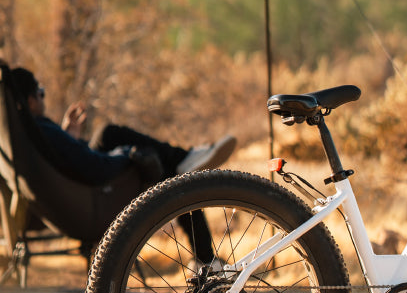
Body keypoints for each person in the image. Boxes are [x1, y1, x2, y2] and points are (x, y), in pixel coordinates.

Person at [8, 66, 236, 264]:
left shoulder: (26, 133)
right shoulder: (42, 129)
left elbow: (74, 160)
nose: (42, 97)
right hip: (98, 197)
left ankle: (183, 159)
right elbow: (94, 167)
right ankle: (206, 258)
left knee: (110, 136)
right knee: (174, 174)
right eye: (41, 93)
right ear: (29, 100)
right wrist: (129, 153)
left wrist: (70, 137)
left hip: (79, 195)